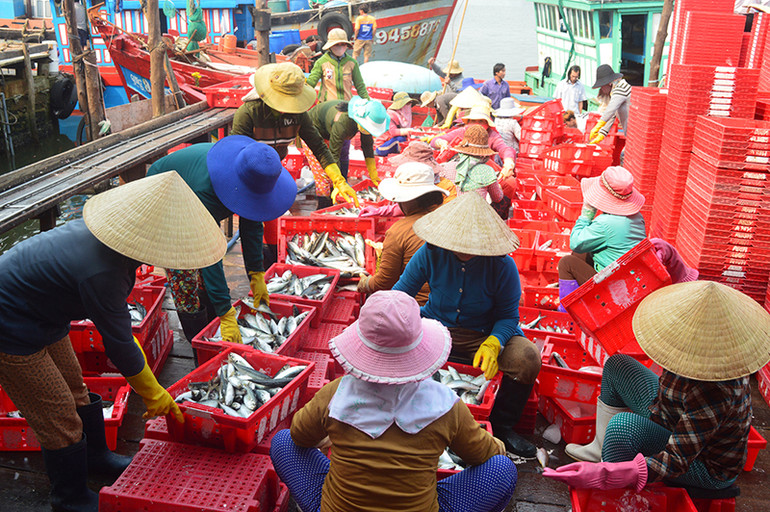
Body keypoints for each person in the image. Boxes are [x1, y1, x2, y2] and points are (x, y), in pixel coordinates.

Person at [0, 172, 226, 512]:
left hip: (44, 312)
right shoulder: (103, 271)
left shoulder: (114, 245)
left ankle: (95, 458)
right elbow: (119, 344)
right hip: (10, 324)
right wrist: (153, 393)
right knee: (60, 417)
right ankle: (70, 498)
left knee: (76, 390)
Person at [270, 290, 517, 512]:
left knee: (282, 442)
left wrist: (331, 434)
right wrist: (497, 446)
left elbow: (299, 435)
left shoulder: (337, 394)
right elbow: (482, 455)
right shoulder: (445, 405)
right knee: (502, 469)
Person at [545, 281, 770, 493]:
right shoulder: (689, 345)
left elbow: (677, 459)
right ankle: (601, 449)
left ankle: (610, 476)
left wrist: (614, 474)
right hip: (670, 417)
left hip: (703, 463)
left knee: (623, 427)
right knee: (618, 365)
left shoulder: (716, 389)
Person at [393, 193, 542, 457]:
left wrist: (495, 342)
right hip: (437, 330)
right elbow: (401, 294)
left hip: (482, 335)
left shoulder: (503, 266)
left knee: (526, 358)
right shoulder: (429, 253)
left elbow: (508, 316)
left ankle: (503, 426)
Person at [146, 136, 296, 353]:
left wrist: (256, 273)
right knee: (185, 273)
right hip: (165, 194)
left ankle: (210, 322)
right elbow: (208, 251)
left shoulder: (250, 172)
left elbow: (252, 223)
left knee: (207, 279)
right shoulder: (206, 190)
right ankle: (199, 342)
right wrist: (226, 311)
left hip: (198, 192)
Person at [231, 62, 358, 207]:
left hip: (274, 167)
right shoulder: (249, 113)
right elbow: (235, 152)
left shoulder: (299, 115)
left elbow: (319, 147)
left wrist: (339, 180)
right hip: (247, 171)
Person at [357, 163, 449, 304]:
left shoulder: (398, 231)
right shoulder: (449, 218)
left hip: (417, 306)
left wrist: (363, 283)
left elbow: (384, 282)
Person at [557, 166, 646, 307]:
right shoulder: (637, 217)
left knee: (566, 263)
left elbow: (574, 242)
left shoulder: (605, 224)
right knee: (579, 254)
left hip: (613, 287)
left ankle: (568, 311)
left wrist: (586, 215)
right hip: (630, 278)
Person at [308, 97, 389, 205]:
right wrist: (338, 182)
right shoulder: (343, 123)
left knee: (342, 157)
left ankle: (337, 195)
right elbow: (333, 155)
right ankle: (324, 204)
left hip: (333, 130)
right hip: (313, 129)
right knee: (323, 172)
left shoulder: (362, 124)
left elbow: (367, 145)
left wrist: (373, 172)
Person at [430, 105, 516, 179]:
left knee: (510, 182)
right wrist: (442, 143)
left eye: (481, 121)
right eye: (473, 121)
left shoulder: (492, 135)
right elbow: (434, 141)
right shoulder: (462, 131)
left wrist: (509, 163)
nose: (477, 124)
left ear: (487, 123)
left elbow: (505, 149)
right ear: (468, 122)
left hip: (484, 173)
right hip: (459, 170)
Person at [448, 125, 509, 219]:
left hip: (450, 214)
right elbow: (497, 198)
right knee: (505, 200)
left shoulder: (448, 166)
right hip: (476, 217)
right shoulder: (487, 171)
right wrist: (498, 186)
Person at [306, 28, 369, 103]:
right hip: (326, 106)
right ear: (330, 46)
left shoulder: (352, 63)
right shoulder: (321, 62)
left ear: (346, 45)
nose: (340, 47)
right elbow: (311, 82)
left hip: (346, 105)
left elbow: (360, 86)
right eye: (336, 44)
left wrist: (367, 101)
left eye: (342, 44)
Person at [589, 64, 631, 144]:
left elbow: (610, 110)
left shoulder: (621, 88)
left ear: (608, 83)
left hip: (634, 131)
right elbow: (613, 115)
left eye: (602, 86)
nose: (601, 89)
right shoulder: (616, 91)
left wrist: (598, 126)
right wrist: (602, 133)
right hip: (629, 132)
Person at [374, 91, 417, 156]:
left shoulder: (403, 116)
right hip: (382, 146)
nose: (408, 106)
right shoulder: (390, 115)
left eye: (409, 103)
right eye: (407, 104)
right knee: (401, 139)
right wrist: (409, 131)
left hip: (392, 143)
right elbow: (393, 132)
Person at [428, 57, 465, 125]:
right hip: (446, 104)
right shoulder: (450, 76)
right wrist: (433, 64)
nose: (450, 74)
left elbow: (459, 93)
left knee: (449, 119)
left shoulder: (461, 81)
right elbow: (440, 72)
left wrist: (450, 83)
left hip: (455, 107)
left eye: (452, 73)